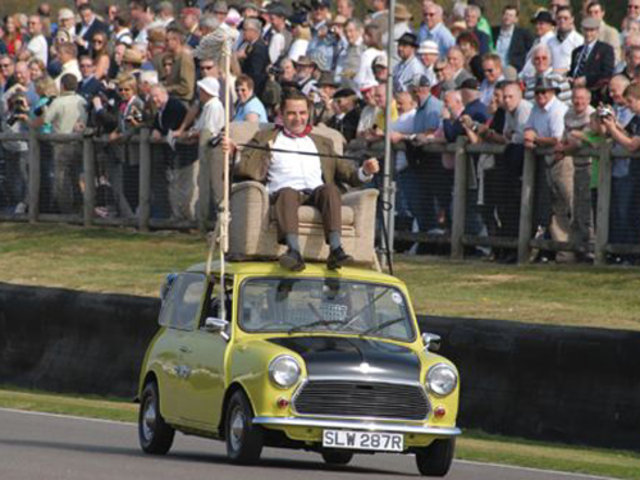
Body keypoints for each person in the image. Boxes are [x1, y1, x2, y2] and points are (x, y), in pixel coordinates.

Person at [228, 89, 380, 271]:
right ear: (281, 115)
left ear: (308, 114)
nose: (298, 118)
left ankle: (336, 249)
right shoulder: (265, 138)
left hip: (316, 194)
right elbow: (245, 166)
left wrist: (365, 170)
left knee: (330, 190)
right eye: (291, 113)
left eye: (302, 113)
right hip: (283, 193)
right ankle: (293, 252)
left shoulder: (323, 142)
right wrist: (233, 154)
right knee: (288, 193)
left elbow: (348, 173)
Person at [524, 77, 570, 261]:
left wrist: (536, 139)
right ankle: (563, 253)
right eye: (537, 92)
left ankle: (581, 251)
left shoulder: (558, 110)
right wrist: (533, 136)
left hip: (564, 163)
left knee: (569, 206)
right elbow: (528, 130)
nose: (540, 95)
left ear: (553, 93)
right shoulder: (535, 109)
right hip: (547, 163)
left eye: (544, 92)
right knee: (553, 209)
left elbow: (557, 140)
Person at [43, 74, 88, 214]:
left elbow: (46, 120)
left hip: (61, 145)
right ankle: (80, 208)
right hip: (79, 143)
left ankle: (66, 212)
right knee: (77, 176)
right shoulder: (82, 101)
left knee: (61, 179)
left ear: (62, 86)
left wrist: (45, 107)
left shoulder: (58, 102)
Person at [568, 17, 615, 106]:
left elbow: (607, 73)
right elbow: (573, 70)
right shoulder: (577, 51)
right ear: (581, 30)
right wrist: (569, 77)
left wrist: (586, 79)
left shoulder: (605, 49)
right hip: (574, 93)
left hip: (594, 95)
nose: (588, 33)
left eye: (592, 30)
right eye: (586, 30)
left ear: (597, 31)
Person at [492, 5, 533, 73]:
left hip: (513, 70)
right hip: (493, 69)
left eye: (511, 15)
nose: (507, 17)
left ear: (516, 19)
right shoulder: (493, 32)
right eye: (506, 14)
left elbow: (531, 51)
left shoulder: (523, 34)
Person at [548, 7, 584, 74]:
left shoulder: (579, 41)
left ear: (572, 19)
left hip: (570, 80)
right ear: (555, 19)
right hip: (551, 80)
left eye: (565, 18)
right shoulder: (550, 42)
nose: (562, 21)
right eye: (559, 18)